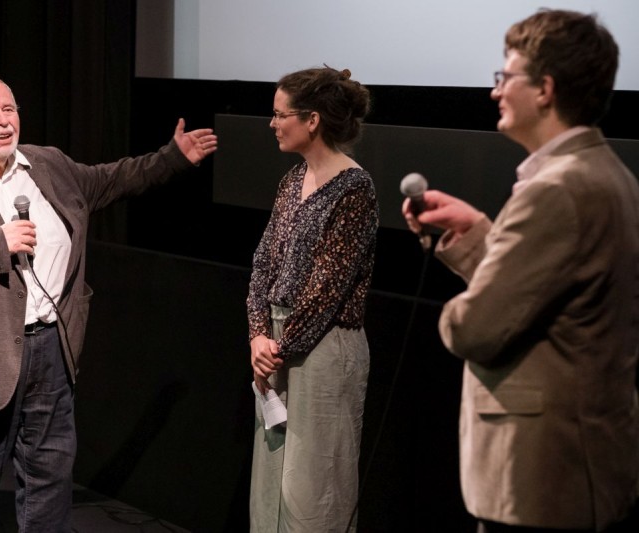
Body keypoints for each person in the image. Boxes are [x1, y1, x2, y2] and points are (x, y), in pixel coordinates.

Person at [0, 74, 217, 532]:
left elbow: (110, 179)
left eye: (10, 109)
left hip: (50, 352)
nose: (3, 121)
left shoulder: (47, 165)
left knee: (49, 482)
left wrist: (172, 159)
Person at [402, 9, 639, 533]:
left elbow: (475, 327)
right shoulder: (605, 173)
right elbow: (553, 294)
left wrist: (457, 313)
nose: (495, 92)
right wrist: (485, 234)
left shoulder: (554, 191)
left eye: (504, 78)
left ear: (545, 89)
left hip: (543, 477)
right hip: (579, 466)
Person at [246, 66, 378, 532]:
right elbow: (264, 261)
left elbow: (328, 287)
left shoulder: (354, 188)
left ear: (313, 120)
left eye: (281, 114)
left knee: (315, 483)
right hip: (278, 344)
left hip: (323, 348)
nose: (273, 123)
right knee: (271, 481)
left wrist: (279, 348)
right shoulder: (291, 181)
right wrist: (259, 334)